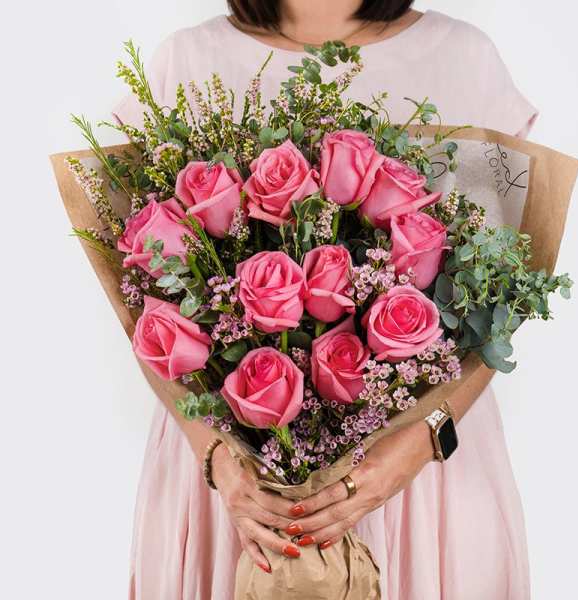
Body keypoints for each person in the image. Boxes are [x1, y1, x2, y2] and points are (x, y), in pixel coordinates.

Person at [114, 1, 537, 598]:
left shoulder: (464, 59)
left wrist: (421, 441)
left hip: (424, 478)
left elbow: (499, 299)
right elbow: (148, 315)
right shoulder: (185, 62)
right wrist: (218, 461)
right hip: (236, 492)